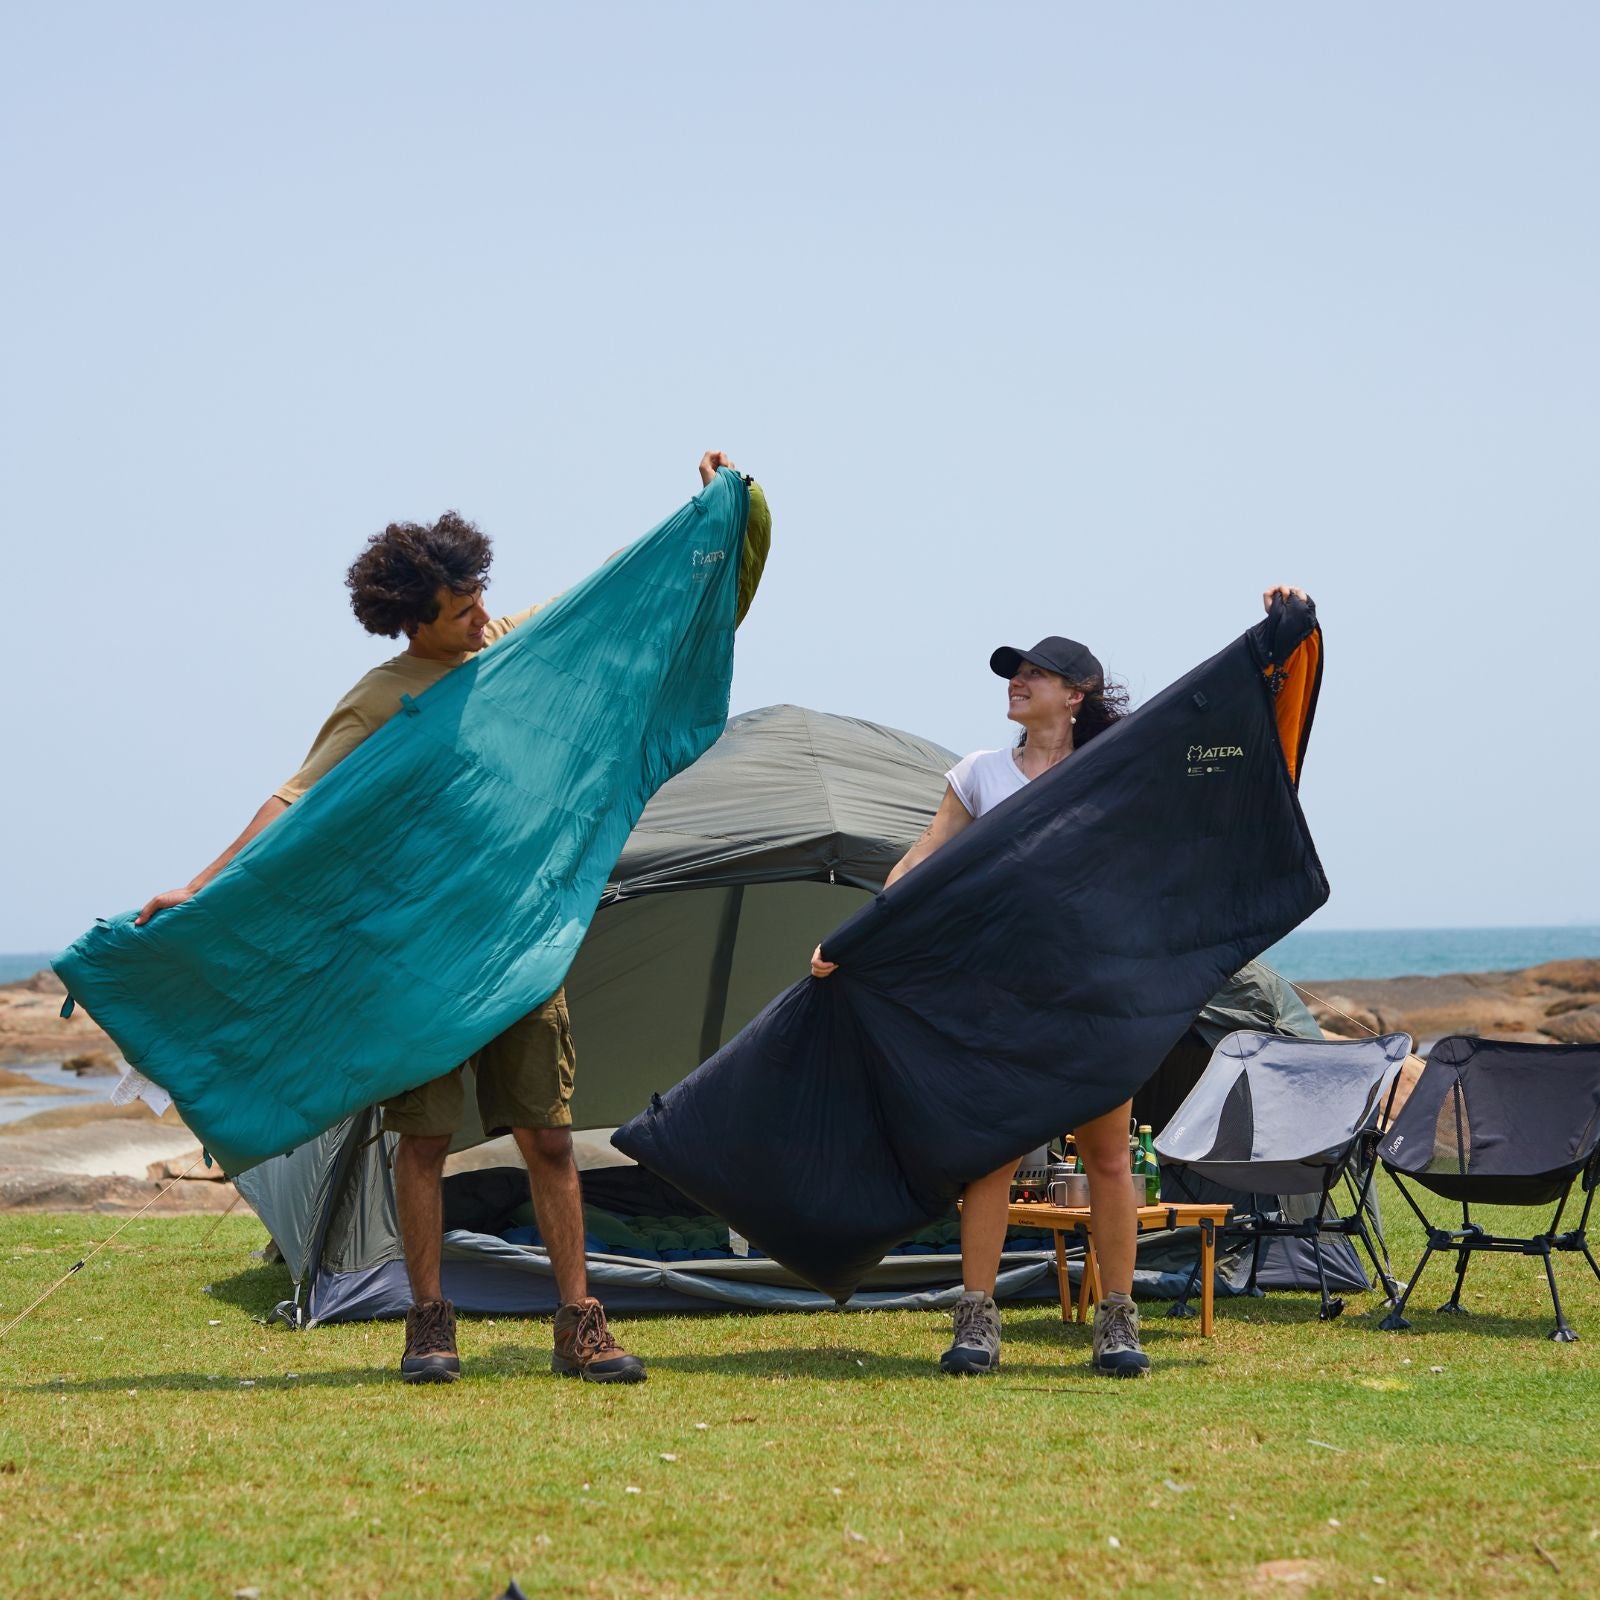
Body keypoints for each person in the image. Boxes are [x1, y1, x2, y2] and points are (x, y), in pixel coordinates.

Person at [137, 450, 744, 1386]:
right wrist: (204, 883)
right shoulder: (382, 698)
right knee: (423, 1142)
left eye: (477, 594)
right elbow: (295, 800)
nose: (477, 610)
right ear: (411, 616)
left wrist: (700, 513)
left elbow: (611, 599)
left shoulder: (509, 649)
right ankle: (430, 1320)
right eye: (458, 604)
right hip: (418, 956)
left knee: (546, 1136)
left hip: (514, 945)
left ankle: (580, 1321)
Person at [811, 584, 1309, 1379]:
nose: (1018, 681)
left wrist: (1279, 644)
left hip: (1095, 997)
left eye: (1035, 674)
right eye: (1014, 673)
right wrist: (854, 932)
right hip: (1002, 997)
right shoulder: (977, 774)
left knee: (1110, 1159)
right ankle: (976, 1322)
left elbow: (1215, 734)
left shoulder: (1116, 773)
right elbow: (922, 859)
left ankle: (1117, 1321)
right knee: (991, 1160)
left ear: (1074, 696)